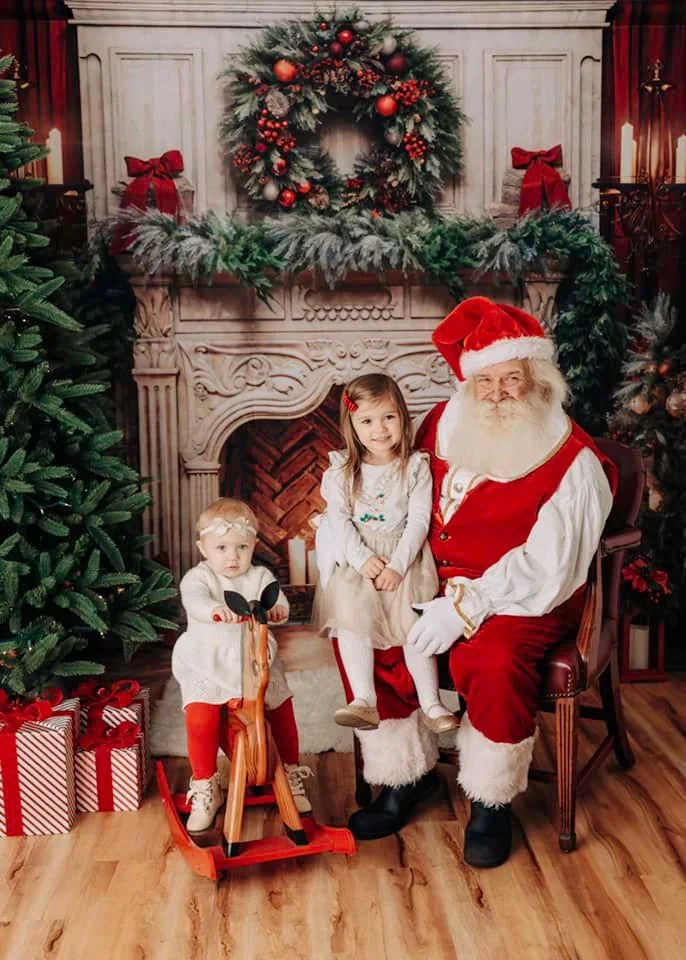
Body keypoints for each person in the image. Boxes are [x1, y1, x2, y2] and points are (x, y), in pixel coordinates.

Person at [343, 297, 617, 868]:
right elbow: (402, 496)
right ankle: (402, 778)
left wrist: (466, 607)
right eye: (484, 381)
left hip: (527, 597)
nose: (496, 393)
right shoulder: (445, 421)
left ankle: (492, 802)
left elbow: (552, 566)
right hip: (429, 580)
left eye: (511, 379)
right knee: (373, 628)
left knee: (492, 659)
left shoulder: (574, 461)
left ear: (537, 380)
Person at [313, 373, 458, 735]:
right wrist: (362, 559)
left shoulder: (415, 467)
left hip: (403, 560)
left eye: (388, 417)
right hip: (359, 561)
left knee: (415, 627)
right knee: (351, 620)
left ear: (403, 419)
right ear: (352, 425)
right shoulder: (342, 471)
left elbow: (420, 520)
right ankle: (363, 700)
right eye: (367, 420)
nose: (379, 429)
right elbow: (339, 521)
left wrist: (398, 564)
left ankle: (431, 702)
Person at [171, 497, 313, 832]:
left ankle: (291, 772)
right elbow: (194, 600)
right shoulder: (198, 578)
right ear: (203, 548)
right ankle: (205, 784)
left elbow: (275, 596)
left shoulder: (259, 575)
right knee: (201, 720)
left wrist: (278, 609)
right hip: (208, 661)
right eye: (221, 547)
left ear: (253, 546)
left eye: (241, 547)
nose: (232, 557)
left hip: (256, 661)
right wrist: (215, 611)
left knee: (281, 711)